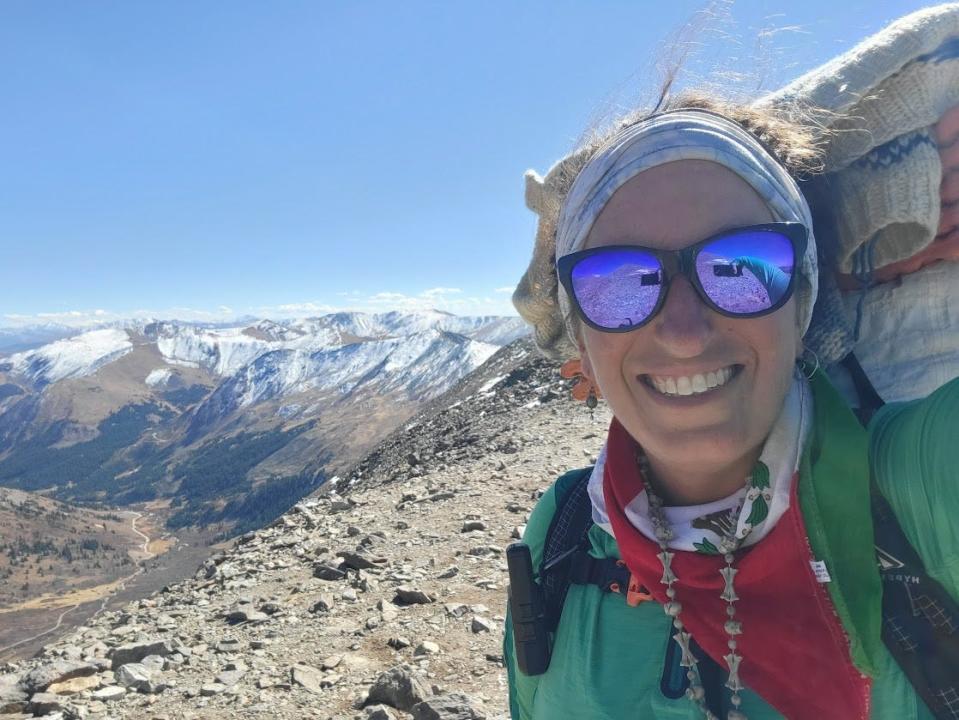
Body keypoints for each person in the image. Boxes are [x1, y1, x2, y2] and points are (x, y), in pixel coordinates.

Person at [504, 7, 959, 720]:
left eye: (740, 264)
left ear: (802, 294)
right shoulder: (561, 531)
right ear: (578, 330)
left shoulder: (923, 486)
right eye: (619, 281)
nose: (683, 332)